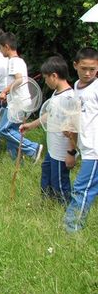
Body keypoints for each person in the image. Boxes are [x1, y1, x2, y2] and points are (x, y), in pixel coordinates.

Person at [20, 56, 75, 204]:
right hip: (52, 150)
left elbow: (74, 128)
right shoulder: (56, 95)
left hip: (61, 152)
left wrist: (71, 152)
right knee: (46, 173)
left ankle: (64, 208)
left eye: (46, 78)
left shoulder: (70, 98)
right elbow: (49, 114)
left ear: (54, 76)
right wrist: (31, 125)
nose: (45, 81)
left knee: (60, 183)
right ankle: (46, 203)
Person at [64, 47, 98, 232]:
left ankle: (71, 230)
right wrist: (72, 149)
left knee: (81, 189)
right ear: (75, 65)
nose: (87, 73)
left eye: (92, 69)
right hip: (85, 148)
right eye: (84, 68)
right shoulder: (76, 87)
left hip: (95, 150)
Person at [0, 32, 42, 161]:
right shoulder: (20, 61)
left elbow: (19, 80)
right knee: (13, 132)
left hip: (19, 103)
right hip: (21, 101)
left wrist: (5, 91)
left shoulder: (13, 61)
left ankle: (33, 148)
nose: (0, 51)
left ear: (6, 47)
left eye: (0, 48)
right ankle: (16, 161)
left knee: (4, 130)